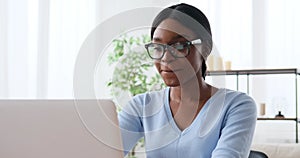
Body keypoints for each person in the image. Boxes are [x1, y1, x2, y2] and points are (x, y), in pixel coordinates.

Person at [118, 3, 257, 158]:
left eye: (179, 46)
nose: (165, 58)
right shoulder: (141, 106)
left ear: (205, 48)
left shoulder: (236, 106)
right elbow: (103, 151)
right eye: (158, 47)